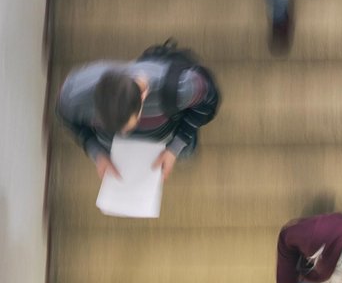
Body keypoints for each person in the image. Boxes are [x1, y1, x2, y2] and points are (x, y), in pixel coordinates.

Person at [57, 42, 220, 184]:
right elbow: (69, 120)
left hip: (169, 135)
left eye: (128, 125)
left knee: (186, 151)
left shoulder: (181, 88)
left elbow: (208, 100)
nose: (124, 133)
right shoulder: (72, 97)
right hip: (121, 152)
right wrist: (97, 152)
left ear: (142, 95)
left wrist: (175, 148)